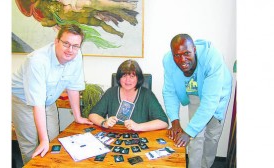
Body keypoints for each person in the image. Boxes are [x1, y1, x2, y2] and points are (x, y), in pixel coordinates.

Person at [12, 24, 93, 165]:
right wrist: (43, 140)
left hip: (49, 100)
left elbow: (73, 87)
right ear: (56, 41)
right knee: (30, 145)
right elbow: (37, 103)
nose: (70, 50)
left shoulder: (76, 55)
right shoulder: (37, 61)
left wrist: (78, 117)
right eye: (66, 44)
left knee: (54, 140)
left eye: (75, 45)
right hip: (23, 101)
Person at [162, 34, 232, 168]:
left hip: (218, 93)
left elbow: (210, 102)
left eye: (187, 53)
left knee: (212, 136)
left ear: (194, 50)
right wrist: (175, 122)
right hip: (194, 92)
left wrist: (187, 132)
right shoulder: (168, 61)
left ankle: (206, 165)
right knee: (195, 137)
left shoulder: (211, 57)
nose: (182, 59)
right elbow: (169, 92)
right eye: (177, 55)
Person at [89, 59, 168, 131]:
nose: (127, 80)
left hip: (139, 138)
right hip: (115, 136)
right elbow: (93, 115)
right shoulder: (111, 92)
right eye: (124, 76)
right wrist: (104, 123)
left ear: (138, 78)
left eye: (132, 76)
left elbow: (163, 122)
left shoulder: (147, 95)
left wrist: (138, 126)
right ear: (119, 78)